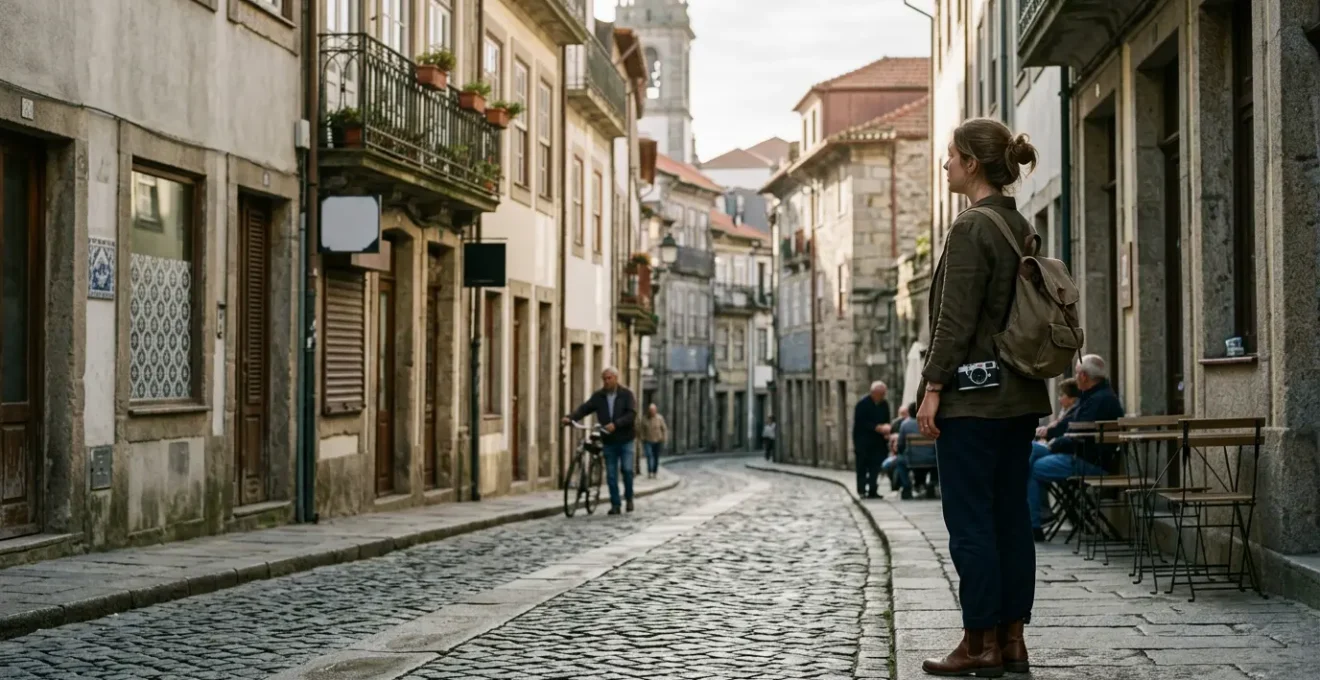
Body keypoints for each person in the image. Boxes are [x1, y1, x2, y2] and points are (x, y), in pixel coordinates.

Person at [916, 118, 1051, 677]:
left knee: (971, 522)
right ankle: (1012, 639)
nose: (946, 164)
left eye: (951, 156)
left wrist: (932, 387)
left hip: (974, 401)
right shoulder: (1018, 223)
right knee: (1010, 520)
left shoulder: (971, 227)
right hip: (1020, 396)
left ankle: (979, 644)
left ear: (972, 164)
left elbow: (954, 319)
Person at [1028, 356, 1125, 541]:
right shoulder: (1093, 396)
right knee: (1029, 450)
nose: (1075, 377)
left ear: (1083, 376)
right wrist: (1049, 435)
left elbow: (1077, 434)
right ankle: (1037, 515)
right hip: (1076, 453)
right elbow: (1068, 424)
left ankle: (1035, 522)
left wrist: (1053, 443)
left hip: (1088, 461)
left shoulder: (1099, 400)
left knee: (1034, 467)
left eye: (1076, 373)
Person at [563, 367, 638, 515]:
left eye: (609, 378)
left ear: (616, 378)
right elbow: (584, 409)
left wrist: (616, 424)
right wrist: (571, 418)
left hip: (625, 439)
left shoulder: (626, 394)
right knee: (611, 475)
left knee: (627, 470)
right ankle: (615, 504)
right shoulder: (599, 396)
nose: (607, 381)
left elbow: (631, 414)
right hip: (609, 440)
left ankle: (629, 498)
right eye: (604, 379)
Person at [853, 381, 892, 499]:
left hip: (878, 442)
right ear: (874, 393)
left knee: (875, 466)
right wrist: (876, 427)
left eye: (884, 393)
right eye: (881, 393)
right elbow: (860, 422)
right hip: (863, 442)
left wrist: (886, 429)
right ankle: (861, 490)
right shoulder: (862, 404)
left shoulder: (884, 404)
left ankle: (873, 490)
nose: (883, 396)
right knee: (862, 466)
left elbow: (887, 419)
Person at [896, 402, 938, 500]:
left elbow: (900, 445)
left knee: (899, 462)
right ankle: (932, 483)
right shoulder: (932, 422)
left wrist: (902, 453)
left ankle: (906, 487)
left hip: (912, 460)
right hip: (932, 461)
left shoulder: (905, 425)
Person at [882, 405, 910, 491]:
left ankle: (901, 486)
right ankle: (898, 485)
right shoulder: (896, 423)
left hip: (904, 456)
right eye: (901, 414)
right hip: (906, 455)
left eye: (904, 414)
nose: (902, 416)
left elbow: (898, 446)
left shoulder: (903, 425)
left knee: (888, 465)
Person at [637, 403, 667, 480]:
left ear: (656, 410)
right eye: (651, 410)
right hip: (648, 441)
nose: (652, 412)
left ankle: (654, 472)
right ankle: (650, 472)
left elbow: (664, 429)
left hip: (658, 441)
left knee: (656, 457)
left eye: (653, 410)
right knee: (649, 456)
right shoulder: (644, 419)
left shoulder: (660, 418)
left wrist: (664, 438)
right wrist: (642, 438)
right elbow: (641, 430)